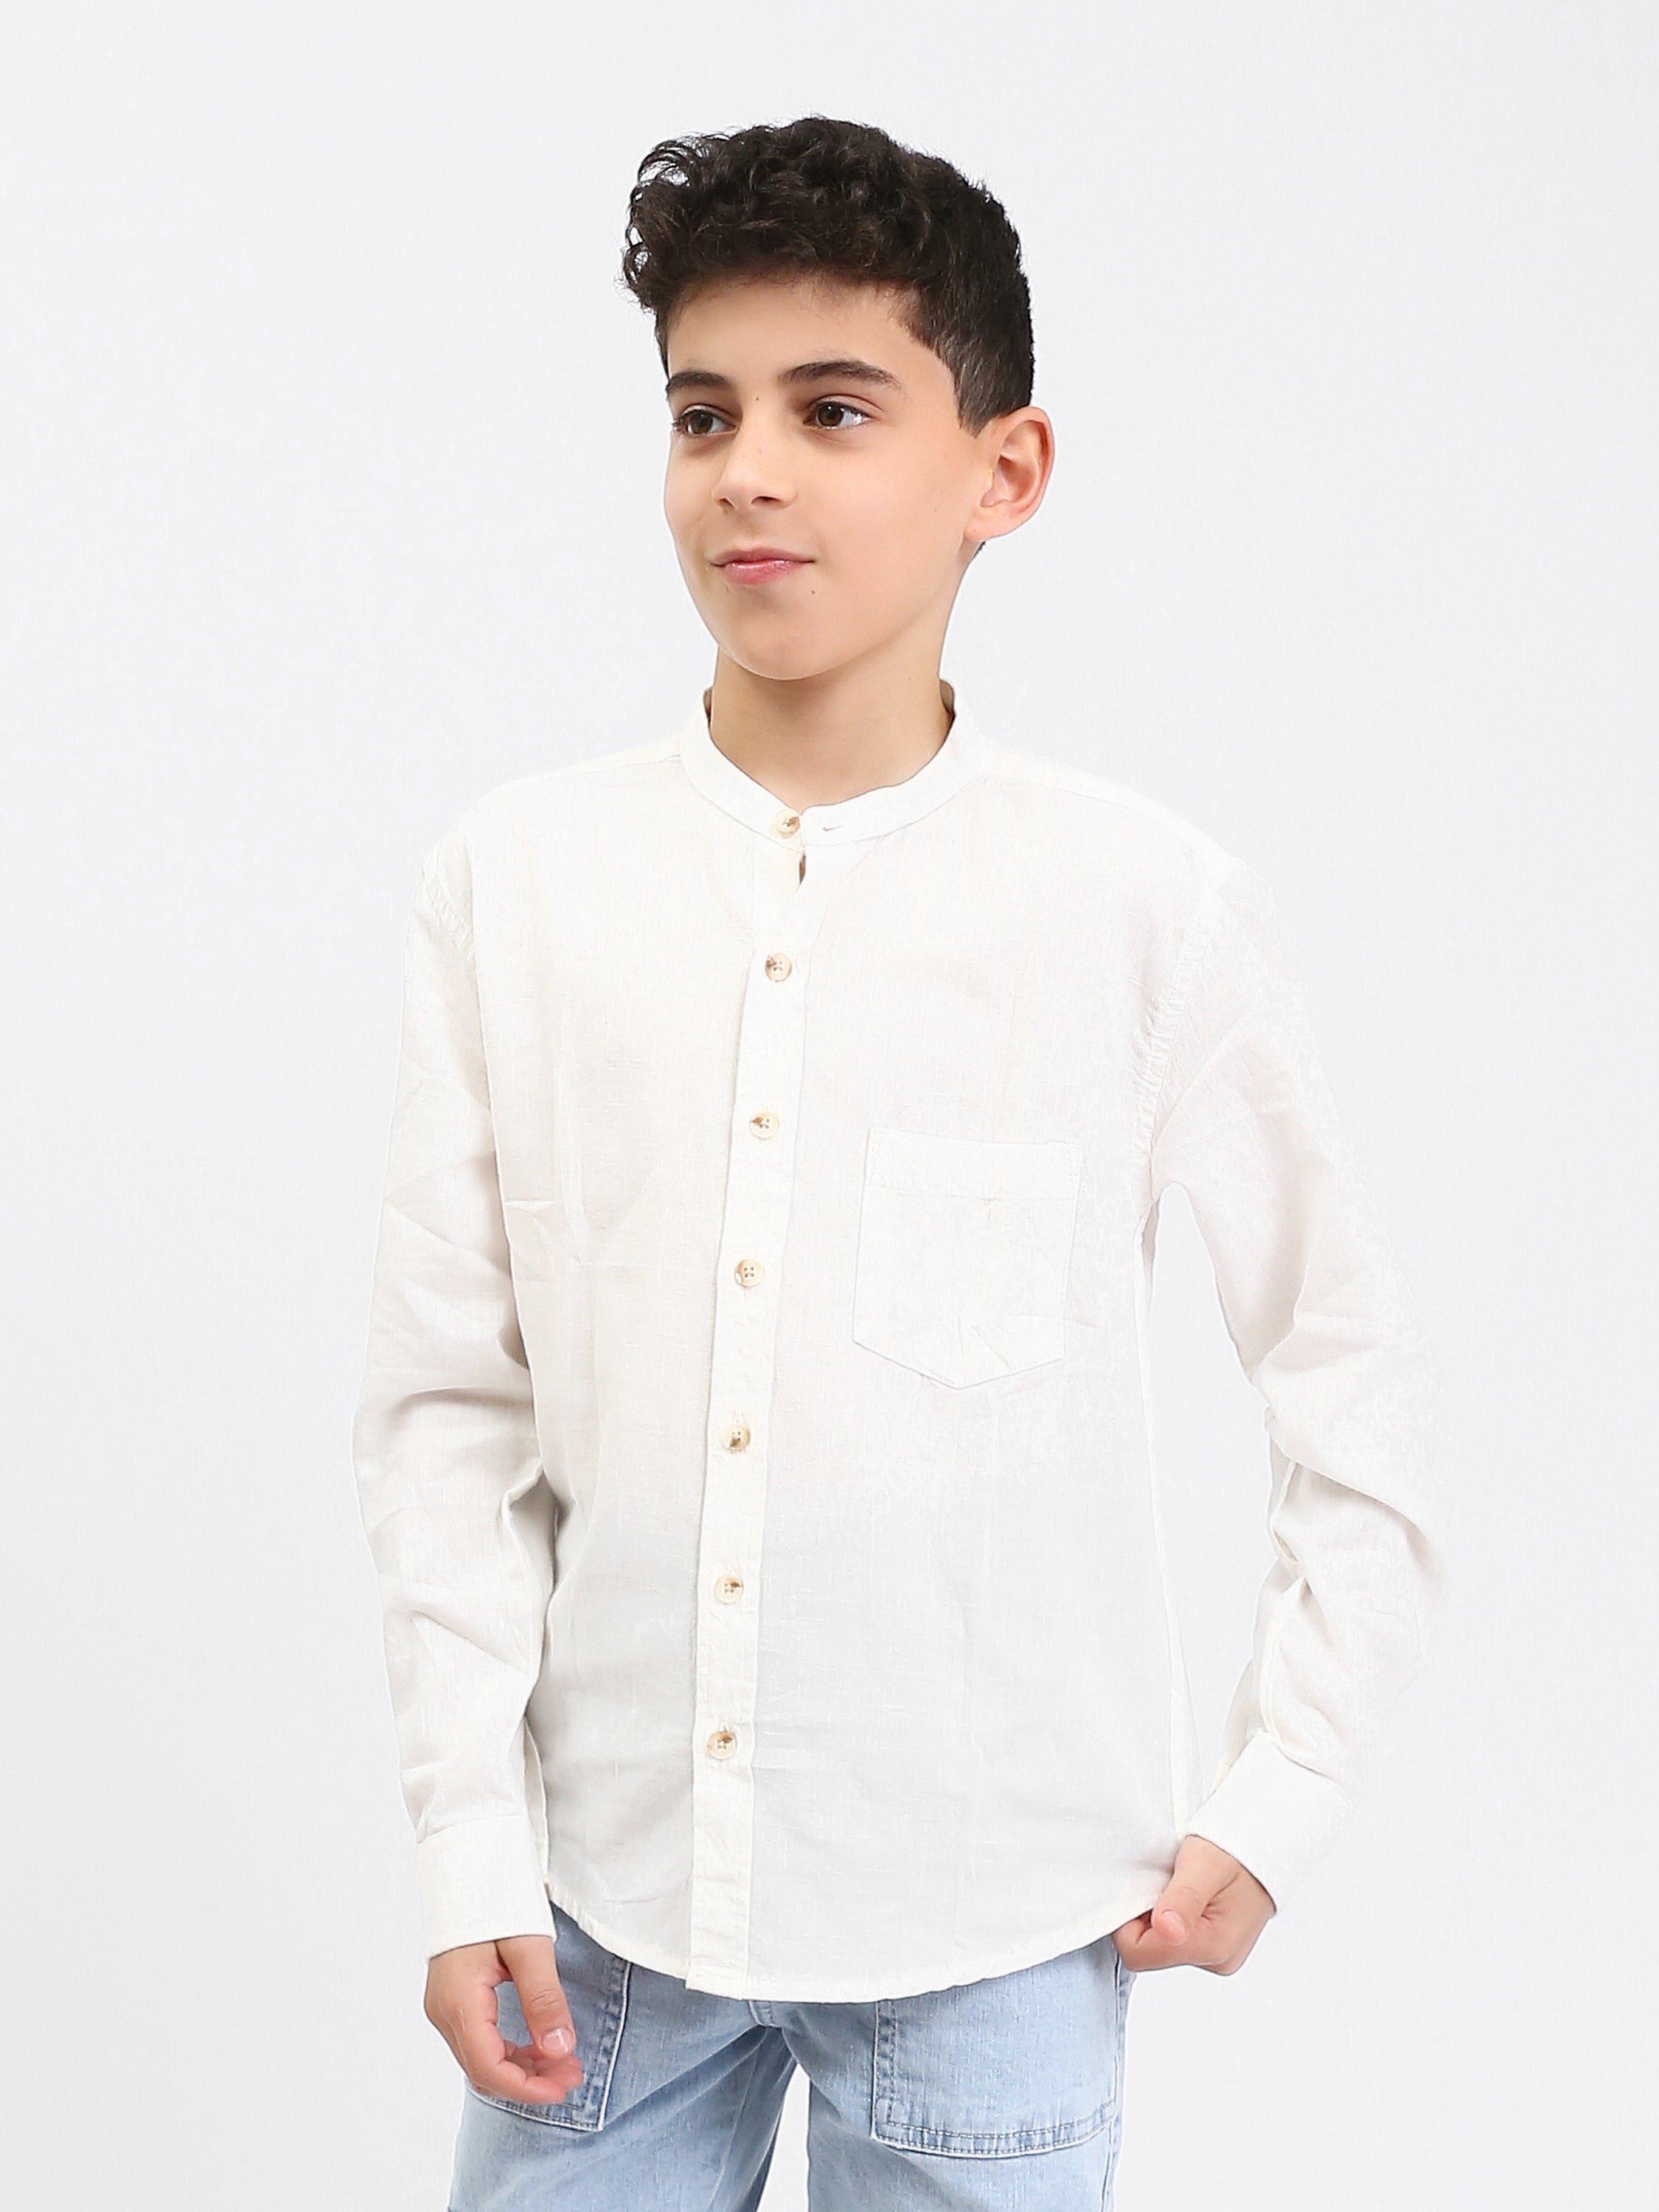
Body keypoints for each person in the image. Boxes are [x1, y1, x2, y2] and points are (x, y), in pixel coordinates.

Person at [351, 114, 1444, 2211]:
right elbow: (448, 1411)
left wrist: (1287, 1786)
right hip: (600, 1918)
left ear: (999, 472)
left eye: (832, 410)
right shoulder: (518, 884)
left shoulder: (1136, 907)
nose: (747, 471)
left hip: (996, 1927)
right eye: (703, 413)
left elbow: (1350, 1376)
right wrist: (467, 1844)